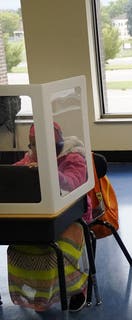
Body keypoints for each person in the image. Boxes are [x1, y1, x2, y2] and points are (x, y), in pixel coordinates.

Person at [9, 123, 91, 312]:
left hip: (73, 214)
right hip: (42, 216)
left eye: (38, 145)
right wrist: (21, 173)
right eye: (32, 145)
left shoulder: (74, 157)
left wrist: (49, 172)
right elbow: (13, 174)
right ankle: (42, 290)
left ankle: (76, 289)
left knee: (61, 246)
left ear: (55, 145)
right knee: (22, 243)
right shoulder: (31, 158)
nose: (33, 150)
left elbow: (73, 183)